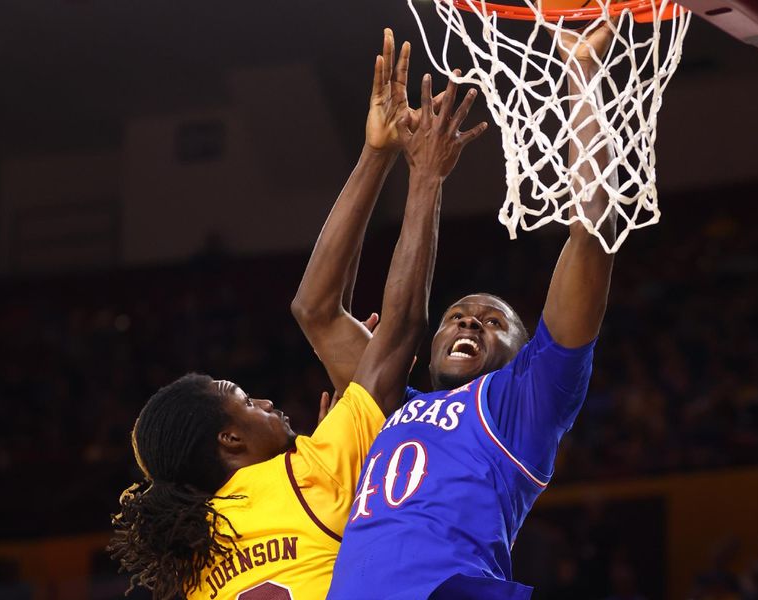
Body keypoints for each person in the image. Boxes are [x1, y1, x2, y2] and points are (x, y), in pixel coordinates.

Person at [108, 30, 486, 600]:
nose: (264, 401)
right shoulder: (305, 474)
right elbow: (400, 329)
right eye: (243, 399)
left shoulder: (192, 562)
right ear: (230, 440)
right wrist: (422, 175)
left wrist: (375, 153)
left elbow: (313, 309)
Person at [294, 24, 619, 600]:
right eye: (458, 315)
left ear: (526, 356)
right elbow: (316, 310)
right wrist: (377, 153)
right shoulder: (386, 399)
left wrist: (584, 75)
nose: (470, 321)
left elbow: (591, 237)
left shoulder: (523, 402)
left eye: (495, 322)